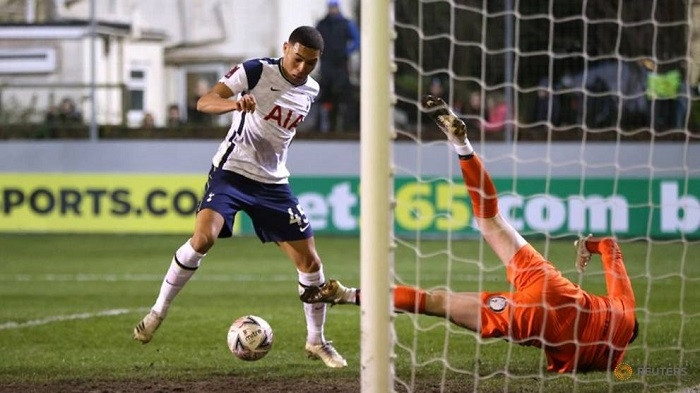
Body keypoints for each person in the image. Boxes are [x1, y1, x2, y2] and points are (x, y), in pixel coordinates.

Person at [308, 95, 638, 373]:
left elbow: (610, 245)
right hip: (534, 320)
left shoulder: (625, 307)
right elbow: (611, 369)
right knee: (437, 303)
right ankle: (346, 295)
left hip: (554, 287)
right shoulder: (609, 361)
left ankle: (462, 146)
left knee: (491, 220)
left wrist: (587, 245)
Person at [132, 26, 347, 369]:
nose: (302, 68)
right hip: (232, 172)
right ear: (285, 48)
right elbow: (204, 101)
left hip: (273, 184)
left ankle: (316, 341)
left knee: (312, 265)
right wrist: (235, 103)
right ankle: (158, 312)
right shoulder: (256, 70)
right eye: (298, 58)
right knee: (203, 238)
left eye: (311, 63)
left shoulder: (311, 90)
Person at [315, 0, 360, 132]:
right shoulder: (322, 24)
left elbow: (357, 41)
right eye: (331, 7)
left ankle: (347, 125)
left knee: (344, 95)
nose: (332, 9)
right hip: (326, 65)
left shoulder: (346, 24)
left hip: (341, 66)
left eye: (334, 7)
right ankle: (324, 126)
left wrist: (346, 52)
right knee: (325, 96)